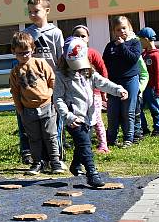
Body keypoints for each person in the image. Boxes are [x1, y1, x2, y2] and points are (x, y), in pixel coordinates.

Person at [55, 37, 128, 188]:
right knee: (85, 144)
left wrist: (118, 90)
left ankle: (75, 166)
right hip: (74, 118)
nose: (77, 68)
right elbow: (58, 99)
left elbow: (103, 83)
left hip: (89, 117)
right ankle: (92, 174)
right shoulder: (62, 76)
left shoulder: (89, 73)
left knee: (82, 144)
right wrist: (68, 116)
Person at [9, 31, 64, 175]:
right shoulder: (15, 72)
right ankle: (37, 162)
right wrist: (20, 110)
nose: (24, 56)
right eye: (20, 53)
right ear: (13, 52)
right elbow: (15, 92)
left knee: (50, 135)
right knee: (34, 138)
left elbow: (52, 80)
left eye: (26, 52)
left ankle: (55, 161)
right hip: (28, 110)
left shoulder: (40, 63)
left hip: (47, 106)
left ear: (33, 50)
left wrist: (52, 96)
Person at [24, 0, 66, 160]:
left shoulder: (56, 32)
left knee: (54, 118)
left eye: (36, 11)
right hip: (33, 83)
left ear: (47, 10)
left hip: (52, 82)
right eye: (30, 12)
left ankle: (56, 154)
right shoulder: (27, 33)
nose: (33, 15)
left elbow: (60, 58)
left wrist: (61, 81)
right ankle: (37, 155)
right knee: (35, 120)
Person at [102, 16, 142, 148]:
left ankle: (128, 138)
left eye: (124, 28)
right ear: (114, 31)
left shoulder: (135, 43)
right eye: (118, 30)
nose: (122, 31)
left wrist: (122, 45)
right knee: (112, 112)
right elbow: (104, 64)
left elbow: (132, 58)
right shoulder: (110, 46)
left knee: (128, 111)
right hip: (114, 83)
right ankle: (111, 139)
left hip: (130, 80)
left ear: (129, 28)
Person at [71, 25, 109, 154]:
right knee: (80, 119)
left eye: (83, 36)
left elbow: (103, 71)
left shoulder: (92, 53)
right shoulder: (70, 54)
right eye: (77, 35)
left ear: (88, 38)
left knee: (96, 118)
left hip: (94, 94)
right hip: (77, 94)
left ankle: (103, 145)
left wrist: (103, 92)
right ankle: (83, 143)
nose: (80, 38)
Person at [138, 27, 159, 136]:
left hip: (152, 87)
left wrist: (158, 89)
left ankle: (157, 128)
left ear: (146, 39)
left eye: (141, 39)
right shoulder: (143, 55)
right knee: (138, 108)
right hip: (143, 87)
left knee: (154, 108)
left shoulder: (156, 55)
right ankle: (144, 128)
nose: (139, 42)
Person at [132, 54, 150, 143]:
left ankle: (137, 134)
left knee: (137, 114)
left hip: (136, 92)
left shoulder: (136, 56)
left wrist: (140, 88)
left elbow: (144, 74)